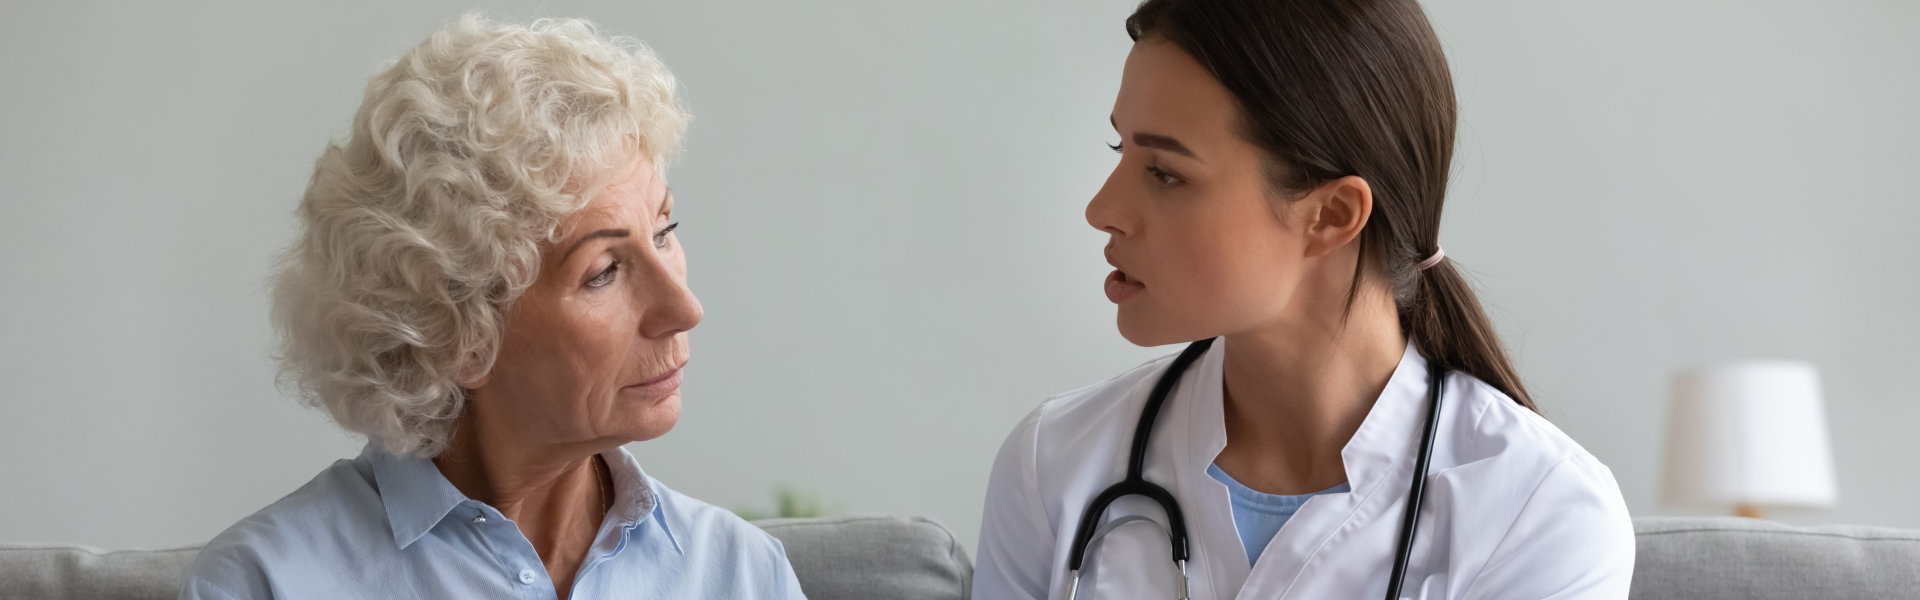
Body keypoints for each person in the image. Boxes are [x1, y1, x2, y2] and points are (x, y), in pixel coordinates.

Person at [972, 1, 1634, 598]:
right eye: (1121, 148)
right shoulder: (1053, 465)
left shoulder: (1542, 516)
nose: (1101, 209)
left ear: (1332, 214)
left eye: (1165, 173)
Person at [181, 14, 805, 599]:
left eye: (664, 232)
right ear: (457, 333)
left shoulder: (741, 574)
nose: (684, 308)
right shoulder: (269, 582)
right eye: (604, 272)